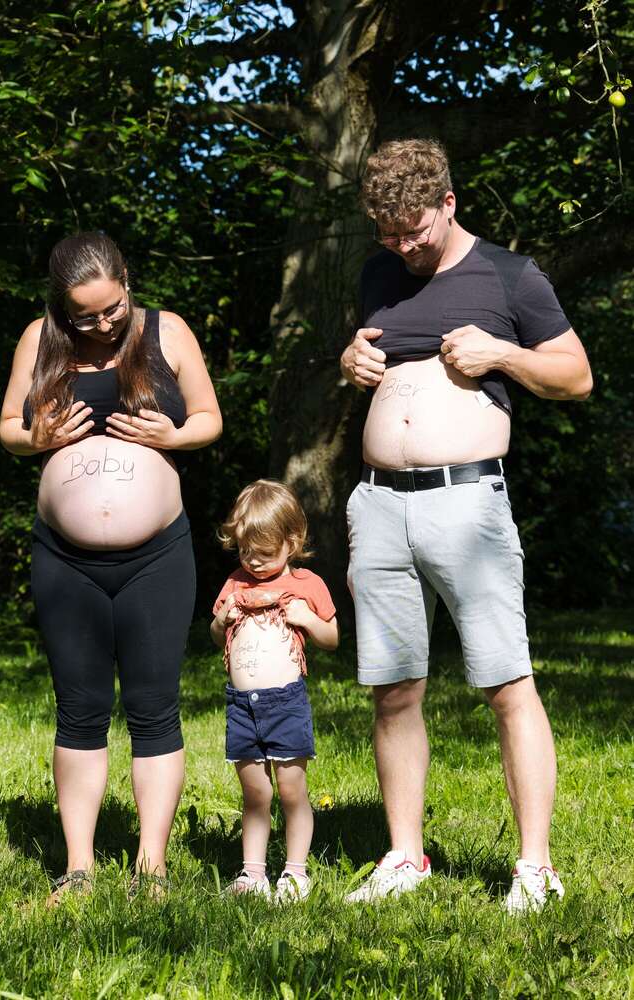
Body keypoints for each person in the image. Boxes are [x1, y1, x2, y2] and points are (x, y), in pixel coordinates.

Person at [340, 139, 592, 912]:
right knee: (393, 688)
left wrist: (502, 353)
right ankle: (404, 856)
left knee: (505, 681)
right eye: (388, 234)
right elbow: (373, 362)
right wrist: (350, 359)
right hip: (379, 501)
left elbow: (575, 377)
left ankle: (533, 868)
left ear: (448, 204)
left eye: (413, 229)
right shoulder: (378, 273)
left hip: (466, 502)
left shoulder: (511, 275)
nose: (403, 247)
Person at [0, 231, 222, 904]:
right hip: (64, 559)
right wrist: (32, 437)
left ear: (126, 280)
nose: (99, 324)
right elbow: (7, 427)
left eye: (109, 309)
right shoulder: (40, 338)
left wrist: (173, 435)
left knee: (154, 708)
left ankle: (149, 867)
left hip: (157, 555)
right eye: (84, 316)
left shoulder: (168, 332)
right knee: (81, 709)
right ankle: (78, 865)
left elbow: (211, 417)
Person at [210, 480, 339, 901]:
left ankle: (296, 871)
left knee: (290, 789)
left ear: (292, 541)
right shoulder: (235, 583)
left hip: (285, 702)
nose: (254, 562)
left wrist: (306, 618)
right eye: (246, 552)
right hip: (242, 705)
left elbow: (332, 638)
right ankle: (252, 873)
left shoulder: (307, 584)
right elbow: (214, 637)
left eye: (265, 554)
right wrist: (222, 621)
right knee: (255, 791)